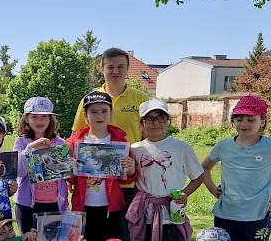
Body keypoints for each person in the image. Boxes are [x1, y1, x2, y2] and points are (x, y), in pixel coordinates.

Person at [201, 95, 271, 241]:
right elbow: (205, 168)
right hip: (225, 216)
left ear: (262, 122)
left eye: (251, 119)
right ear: (233, 121)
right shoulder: (223, 146)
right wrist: (213, 189)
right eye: (239, 119)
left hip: (257, 218)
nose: (244, 123)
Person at [72, 47, 148, 238]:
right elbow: (76, 140)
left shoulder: (141, 99)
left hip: (129, 182)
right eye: (111, 67)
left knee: (122, 234)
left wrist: (133, 168)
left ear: (128, 68)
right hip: (90, 187)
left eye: (121, 66)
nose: (115, 71)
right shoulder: (88, 99)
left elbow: (149, 137)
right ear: (102, 68)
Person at [127, 99, 206, 241]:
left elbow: (198, 176)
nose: (156, 123)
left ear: (168, 121)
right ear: (142, 122)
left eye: (161, 118)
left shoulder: (181, 147)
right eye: (150, 119)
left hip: (172, 212)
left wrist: (184, 194)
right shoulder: (134, 149)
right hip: (144, 213)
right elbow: (130, 177)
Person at [66, 91, 136, 241]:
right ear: (85, 116)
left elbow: (125, 179)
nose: (99, 116)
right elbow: (71, 180)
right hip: (82, 207)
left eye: (104, 111)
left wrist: (130, 170)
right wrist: (70, 169)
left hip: (111, 208)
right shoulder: (74, 142)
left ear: (111, 114)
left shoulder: (120, 140)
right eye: (94, 112)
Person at [13, 97, 69, 233]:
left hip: (55, 204)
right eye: (35, 117)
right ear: (26, 118)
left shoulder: (60, 143)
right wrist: (31, 148)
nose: (40, 121)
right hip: (27, 206)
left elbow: (65, 176)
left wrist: (70, 166)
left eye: (44, 116)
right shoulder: (21, 142)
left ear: (50, 119)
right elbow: (19, 171)